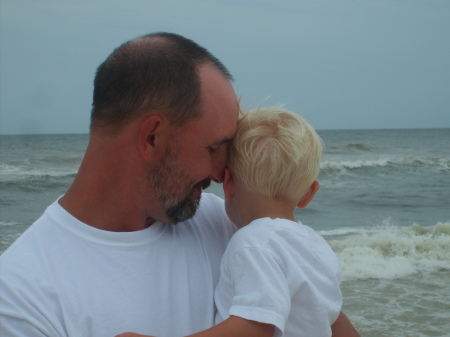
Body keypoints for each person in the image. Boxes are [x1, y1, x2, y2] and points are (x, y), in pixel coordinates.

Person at [0, 33, 359, 337]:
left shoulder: (236, 226)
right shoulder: (22, 296)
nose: (223, 173)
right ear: (152, 137)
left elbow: (321, 315)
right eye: (215, 148)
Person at [116, 106, 350, 337]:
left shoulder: (254, 243)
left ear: (228, 183)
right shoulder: (316, 246)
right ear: (309, 193)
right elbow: (332, 319)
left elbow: (256, 326)